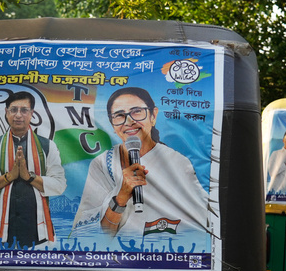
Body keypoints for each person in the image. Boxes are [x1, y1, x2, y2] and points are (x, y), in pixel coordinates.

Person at [71, 87, 210, 238]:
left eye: (137, 111)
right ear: (112, 124)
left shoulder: (176, 162)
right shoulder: (103, 164)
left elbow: (198, 223)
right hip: (118, 256)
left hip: (163, 252)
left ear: (153, 115)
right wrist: (122, 196)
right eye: (119, 115)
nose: (129, 121)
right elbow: (88, 235)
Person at [0, 91, 66, 246]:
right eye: (13, 110)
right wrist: (10, 176)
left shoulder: (47, 146)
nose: (18, 115)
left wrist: (28, 176)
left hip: (37, 234)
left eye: (24, 110)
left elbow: (59, 185)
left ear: (31, 114)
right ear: (6, 112)